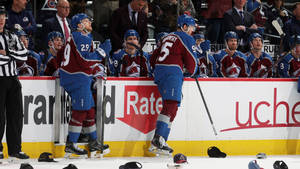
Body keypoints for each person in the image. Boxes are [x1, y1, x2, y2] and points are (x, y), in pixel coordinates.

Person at [57, 13, 109, 157]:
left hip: (77, 76)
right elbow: (85, 61)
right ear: (79, 25)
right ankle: (71, 143)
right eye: (86, 21)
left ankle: (93, 141)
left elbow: (62, 55)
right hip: (77, 77)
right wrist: (102, 52)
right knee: (81, 110)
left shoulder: (77, 37)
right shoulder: (81, 37)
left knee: (89, 109)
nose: (90, 23)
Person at [149, 14, 198, 155]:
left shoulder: (167, 37)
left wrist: (156, 69)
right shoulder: (186, 37)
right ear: (184, 26)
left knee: (173, 106)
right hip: (172, 72)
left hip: (161, 71)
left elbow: (153, 57)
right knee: (171, 104)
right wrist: (194, 71)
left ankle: (161, 140)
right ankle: (158, 138)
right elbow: (192, 61)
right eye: (191, 28)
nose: (192, 31)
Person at [0, 6, 30, 159]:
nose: (1, 19)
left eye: (3, 16)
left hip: (13, 79)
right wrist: (12, 56)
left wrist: (9, 53)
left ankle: (15, 149)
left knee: (16, 115)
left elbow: (24, 55)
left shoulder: (11, 35)